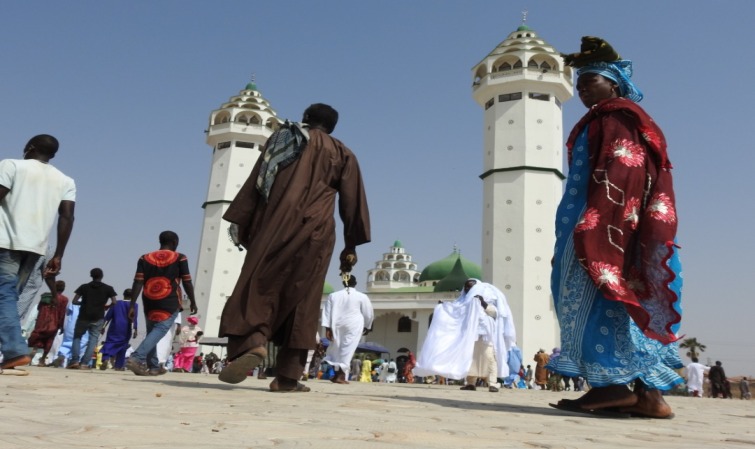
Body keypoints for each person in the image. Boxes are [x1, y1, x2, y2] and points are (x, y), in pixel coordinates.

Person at [547, 37, 683, 419]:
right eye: (579, 82)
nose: (582, 87)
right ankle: (648, 396)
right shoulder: (617, 117)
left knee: (587, 293)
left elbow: (623, 169)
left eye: (591, 79)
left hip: (603, 222)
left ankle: (610, 388)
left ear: (614, 81)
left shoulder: (615, 117)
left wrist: (598, 221)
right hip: (620, 224)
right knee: (626, 298)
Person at [217, 103, 371, 393]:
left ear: (305, 118)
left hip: (274, 224)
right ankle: (287, 377)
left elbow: (256, 183)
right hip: (317, 232)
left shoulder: (284, 140)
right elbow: (353, 203)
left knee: (258, 285)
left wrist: (244, 220)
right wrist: (351, 245)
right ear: (333, 127)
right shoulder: (343, 153)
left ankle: (253, 342)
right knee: (305, 300)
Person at [0, 134, 75, 374]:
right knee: (8, 298)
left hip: (6, 242)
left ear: (29, 147)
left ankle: (14, 350)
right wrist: (59, 255)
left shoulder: (11, 165)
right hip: (35, 249)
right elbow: (67, 217)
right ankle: (12, 350)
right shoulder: (65, 180)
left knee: (4, 296)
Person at [414, 279, 516, 394]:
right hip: (470, 336)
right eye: (466, 287)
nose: (468, 289)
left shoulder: (487, 297)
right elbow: (456, 311)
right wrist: (444, 307)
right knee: (470, 358)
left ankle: (493, 383)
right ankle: (471, 383)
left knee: (490, 358)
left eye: (470, 287)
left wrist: (483, 303)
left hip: (485, 335)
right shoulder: (463, 301)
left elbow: (495, 313)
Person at [126, 231, 197, 376]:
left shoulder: (144, 257)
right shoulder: (180, 258)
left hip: (149, 300)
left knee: (153, 332)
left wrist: (132, 304)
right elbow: (187, 281)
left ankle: (153, 366)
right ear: (175, 242)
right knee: (161, 329)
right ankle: (137, 357)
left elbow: (138, 281)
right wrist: (193, 301)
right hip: (169, 299)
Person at [321, 275, 374, 385]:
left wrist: (327, 328)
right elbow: (368, 313)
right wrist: (368, 326)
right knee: (347, 348)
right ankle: (340, 376)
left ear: (343, 283)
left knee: (336, 348)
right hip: (354, 324)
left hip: (337, 324)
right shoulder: (362, 296)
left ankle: (336, 374)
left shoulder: (333, 295)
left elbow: (327, 312)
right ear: (355, 283)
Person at [68, 268, 117, 369]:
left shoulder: (84, 287)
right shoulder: (108, 288)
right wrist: (107, 306)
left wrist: (84, 303)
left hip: (83, 316)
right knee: (93, 340)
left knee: (77, 337)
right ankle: (84, 363)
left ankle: (74, 361)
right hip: (98, 317)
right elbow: (114, 302)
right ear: (102, 276)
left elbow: (74, 301)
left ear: (91, 276)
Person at [27, 281, 69, 366]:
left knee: (38, 338)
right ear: (63, 289)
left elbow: (39, 308)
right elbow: (62, 312)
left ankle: (34, 351)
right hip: (53, 323)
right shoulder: (64, 299)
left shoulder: (45, 296)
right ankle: (42, 360)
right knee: (49, 341)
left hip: (41, 321)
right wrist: (61, 326)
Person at [100, 289, 138, 371]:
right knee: (123, 346)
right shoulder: (134, 305)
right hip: (126, 328)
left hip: (114, 327)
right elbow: (134, 318)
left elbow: (108, 317)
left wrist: (103, 327)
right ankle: (118, 366)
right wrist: (135, 329)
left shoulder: (116, 303)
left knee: (109, 342)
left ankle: (105, 358)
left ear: (123, 294)